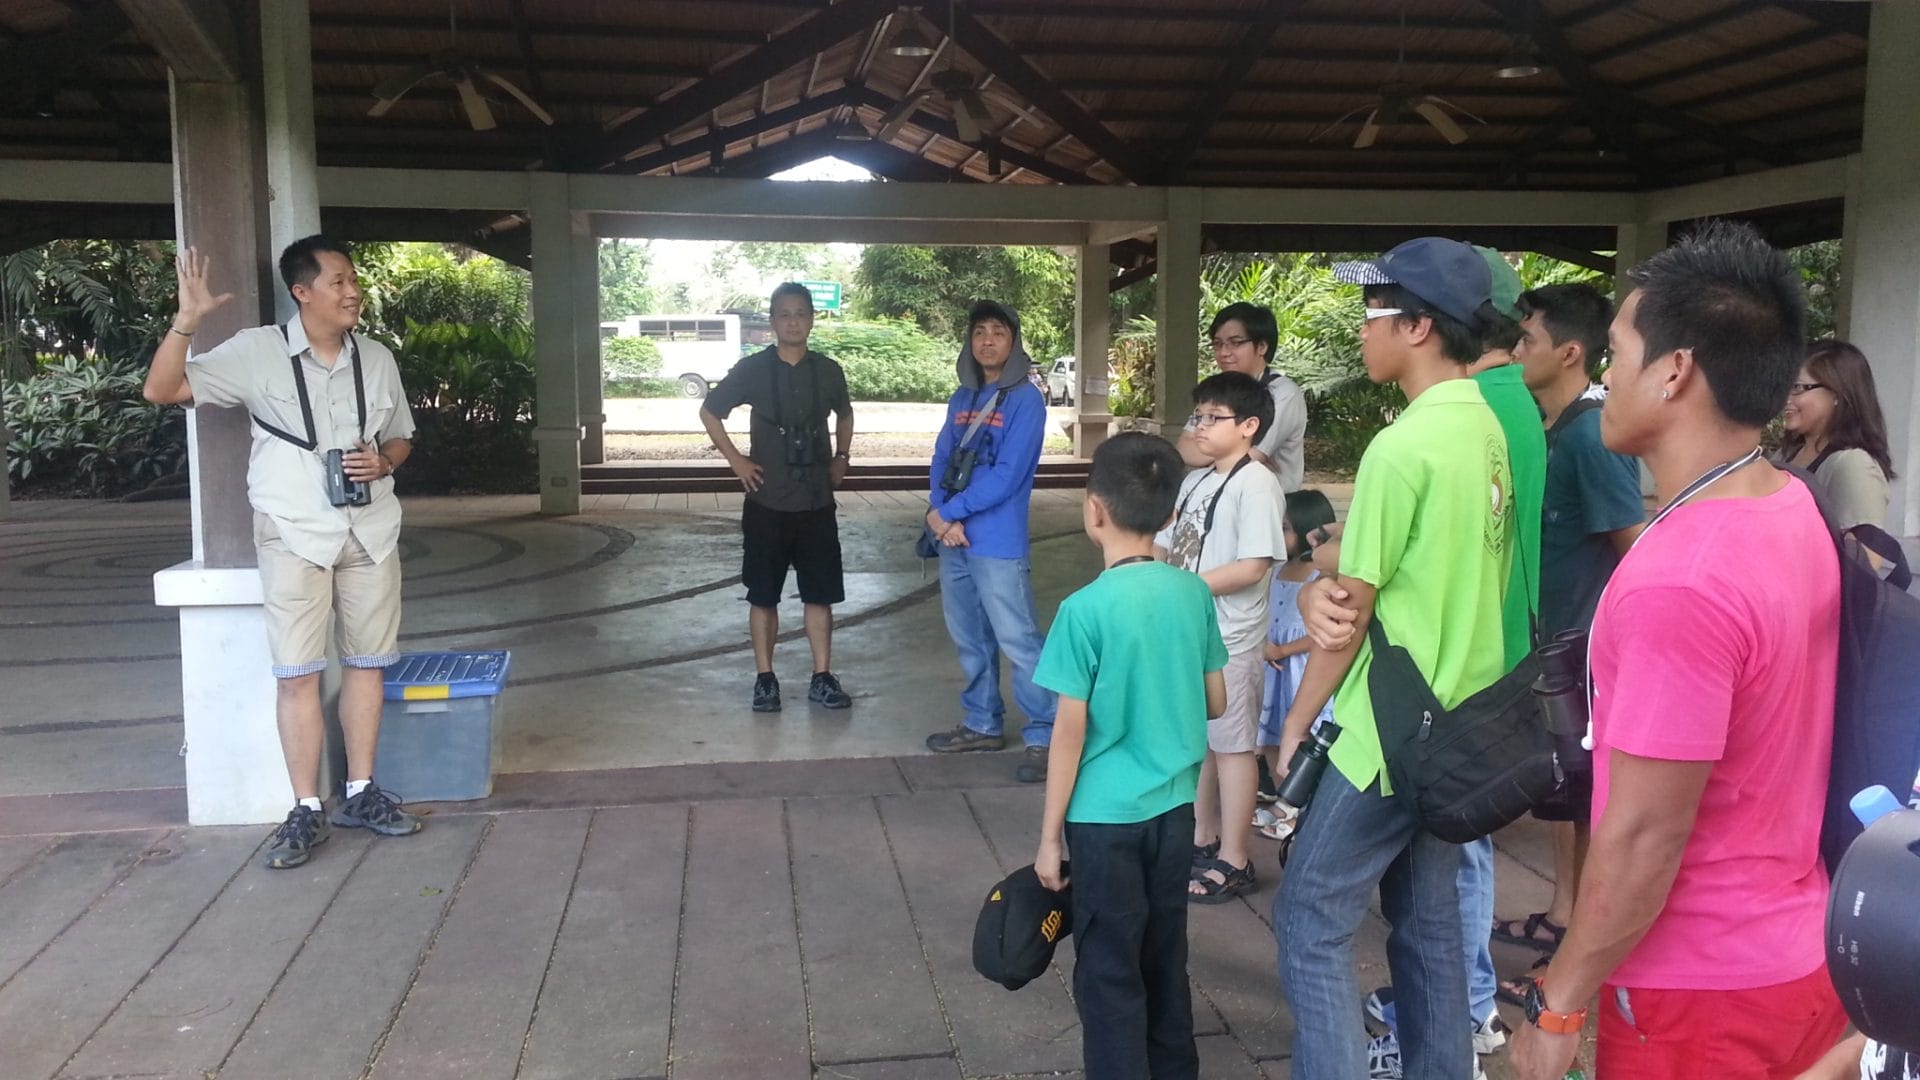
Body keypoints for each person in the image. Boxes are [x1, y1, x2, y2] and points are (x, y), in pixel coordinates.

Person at [1509, 222, 1847, 1080]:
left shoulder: (1680, 578)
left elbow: (1646, 835)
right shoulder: (1788, 503)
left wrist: (1559, 1006)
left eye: (1617, 352)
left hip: (1699, 997)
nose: (1607, 377)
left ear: (1675, 370)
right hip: (1797, 955)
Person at [1275, 236, 1513, 1080]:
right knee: (1431, 932)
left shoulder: (1402, 448)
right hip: (1462, 732)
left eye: (1371, 315)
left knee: (1309, 921)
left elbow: (1352, 611)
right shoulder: (1484, 427)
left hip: (1387, 737)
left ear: (1417, 328)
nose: (1362, 332)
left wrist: (1294, 727)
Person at [141, 238, 423, 870]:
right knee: (297, 674)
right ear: (303, 291)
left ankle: (361, 792)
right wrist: (186, 320)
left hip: (371, 531)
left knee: (367, 664)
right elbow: (161, 390)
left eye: (354, 280)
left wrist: (384, 461)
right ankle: (305, 808)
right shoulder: (256, 352)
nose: (353, 291)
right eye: (339, 280)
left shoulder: (376, 358)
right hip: (293, 531)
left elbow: (401, 437)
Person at [1032, 432, 1228, 1080]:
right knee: (1164, 956)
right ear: (1171, 515)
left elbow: (1069, 733)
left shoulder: (1082, 610)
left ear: (1094, 510)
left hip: (1102, 820)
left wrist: (1049, 838)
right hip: (1174, 813)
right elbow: (1217, 702)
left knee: (1109, 971)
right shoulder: (1193, 594)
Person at [1491, 282, 1644, 985]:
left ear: (1571, 352)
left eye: (1528, 340)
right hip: (1547, 646)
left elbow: (1632, 544)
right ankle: (1562, 911)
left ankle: (1583, 940)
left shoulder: (1590, 436)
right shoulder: (1549, 429)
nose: (1516, 349)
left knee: (1585, 796)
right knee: (1559, 793)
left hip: (1581, 653)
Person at [1156, 372, 1286, 904]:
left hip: (1230, 639)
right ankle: (1201, 835)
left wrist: (1180, 586)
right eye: (1198, 417)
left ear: (1250, 426)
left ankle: (1235, 858)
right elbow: (1167, 543)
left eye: (1214, 418)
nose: (1201, 427)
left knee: (1234, 748)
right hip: (1193, 632)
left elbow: (1253, 566)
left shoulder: (1256, 483)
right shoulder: (1197, 480)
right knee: (1204, 742)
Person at [700, 282, 855, 713]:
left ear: (811, 319)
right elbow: (709, 410)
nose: (793, 321)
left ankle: (821, 676)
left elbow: (845, 413)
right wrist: (737, 461)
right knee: (763, 595)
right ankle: (765, 679)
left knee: (819, 593)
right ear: (772, 321)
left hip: (816, 500)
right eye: (784, 314)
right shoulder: (752, 369)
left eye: (801, 313)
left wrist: (842, 456)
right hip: (767, 499)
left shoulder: (829, 370)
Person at [922, 302, 1059, 783]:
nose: (986, 340)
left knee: (1019, 641)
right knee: (970, 640)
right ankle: (982, 721)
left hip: (996, 541)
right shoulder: (962, 397)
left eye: (997, 332)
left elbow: (1007, 476)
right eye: (978, 332)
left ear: (1013, 341)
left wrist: (949, 513)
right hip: (953, 539)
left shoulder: (1026, 401)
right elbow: (941, 457)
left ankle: (1045, 734)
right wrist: (940, 517)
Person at [1254, 488, 1337, 842]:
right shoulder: (1276, 570)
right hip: (1276, 669)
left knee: (1306, 737)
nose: (1279, 533)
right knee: (1273, 734)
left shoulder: (1321, 577)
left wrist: (1284, 650)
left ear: (1307, 530)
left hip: (1303, 667)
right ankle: (1283, 797)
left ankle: (1299, 807)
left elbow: (1320, 635)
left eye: (1286, 527)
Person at [1178, 303, 1309, 492]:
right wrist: (1228, 452)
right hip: (1215, 495)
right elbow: (1185, 448)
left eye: (1236, 342)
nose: (1224, 352)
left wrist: (1211, 451)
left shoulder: (1282, 394)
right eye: (1218, 344)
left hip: (1269, 503)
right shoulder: (1219, 390)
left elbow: (1246, 462)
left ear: (1262, 346)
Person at [1778, 340, 1896, 536]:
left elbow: (1865, 559)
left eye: (1798, 387)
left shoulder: (1853, 464)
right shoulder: (1787, 454)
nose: (1786, 399)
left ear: (1837, 394)